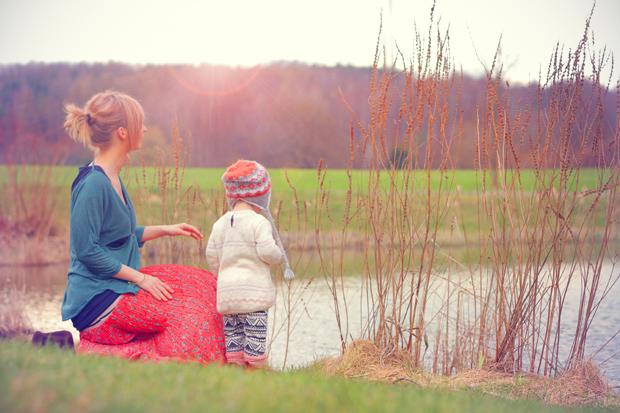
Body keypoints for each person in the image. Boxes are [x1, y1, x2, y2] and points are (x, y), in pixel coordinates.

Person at [58, 90, 224, 362]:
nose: (145, 129)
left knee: (203, 285)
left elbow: (119, 237)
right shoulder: (92, 184)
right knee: (189, 313)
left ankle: (117, 352)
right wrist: (142, 278)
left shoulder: (112, 176)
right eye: (140, 123)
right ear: (122, 132)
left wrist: (166, 229)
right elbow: (87, 250)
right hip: (96, 301)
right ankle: (119, 353)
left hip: (116, 286)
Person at [206, 160, 294, 368]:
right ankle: (254, 371)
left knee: (234, 338)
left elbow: (211, 255)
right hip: (253, 295)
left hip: (227, 294)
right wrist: (279, 256)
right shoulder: (258, 223)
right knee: (254, 340)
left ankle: (235, 369)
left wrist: (222, 274)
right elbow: (267, 251)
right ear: (260, 196)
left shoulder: (219, 224)